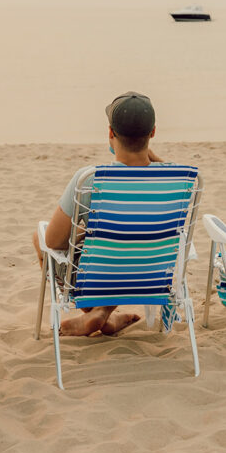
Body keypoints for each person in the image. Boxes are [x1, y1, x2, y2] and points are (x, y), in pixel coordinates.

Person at [33, 91, 165, 336]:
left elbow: (53, 241)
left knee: (39, 237)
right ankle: (105, 314)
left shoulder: (89, 179)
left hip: (101, 276)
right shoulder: (176, 180)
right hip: (154, 273)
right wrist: (156, 161)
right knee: (129, 243)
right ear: (153, 132)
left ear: (111, 133)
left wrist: (87, 229)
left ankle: (96, 312)